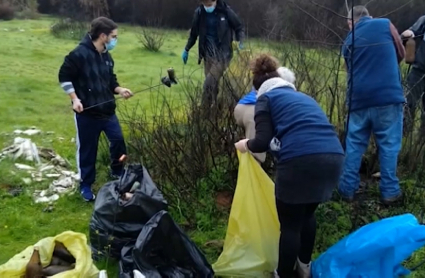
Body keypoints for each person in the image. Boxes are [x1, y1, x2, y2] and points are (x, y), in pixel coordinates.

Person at [235, 54, 344, 278]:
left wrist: (245, 144)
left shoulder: (265, 99)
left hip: (299, 160)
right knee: (306, 215)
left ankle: (283, 274)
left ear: (258, 90)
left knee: (290, 225)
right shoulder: (304, 98)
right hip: (333, 157)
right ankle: (305, 267)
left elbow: (262, 141)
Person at [58, 17, 133, 202]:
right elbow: (64, 77)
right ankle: (85, 184)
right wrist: (75, 99)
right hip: (87, 114)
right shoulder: (78, 54)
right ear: (103, 35)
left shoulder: (107, 56)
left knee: (118, 141)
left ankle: (117, 170)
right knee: (87, 151)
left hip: (108, 112)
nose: (115, 39)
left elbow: (111, 81)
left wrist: (120, 89)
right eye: (113, 36)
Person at [339, 6, 405, 205]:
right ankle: (390, 192)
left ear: (352, 22)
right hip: (388, 97)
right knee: (389, 146)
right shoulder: (384, 24)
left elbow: (349, 70)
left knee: (354, 146)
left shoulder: (348, 40)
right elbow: (401, 53)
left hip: (358, 101)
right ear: (369, 16)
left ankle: (346, 190)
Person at [182, 0, 244, 109]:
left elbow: (239, 27)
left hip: (223, 55)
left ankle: (203, 111)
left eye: (209, 5)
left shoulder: (225, 11)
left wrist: (241, 42)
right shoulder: (199, 13)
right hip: (208, 56)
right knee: (213, 86)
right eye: (205, 4)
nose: (207, 7)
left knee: (208, 83)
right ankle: (215, 112)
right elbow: (193, 34)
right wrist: (186, 49)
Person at [234, 67, 296, 163]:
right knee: (255, 152)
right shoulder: (277, 90)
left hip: (242, 108)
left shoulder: (267, 82)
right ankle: (253, 174)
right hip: (251, 111)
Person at [401, 15, 425, 133]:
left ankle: (421, 140)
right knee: (409, 102)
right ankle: (405, 132)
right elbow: (412, 30)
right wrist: (408, 33)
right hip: (419, 69)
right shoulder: (424, 19)